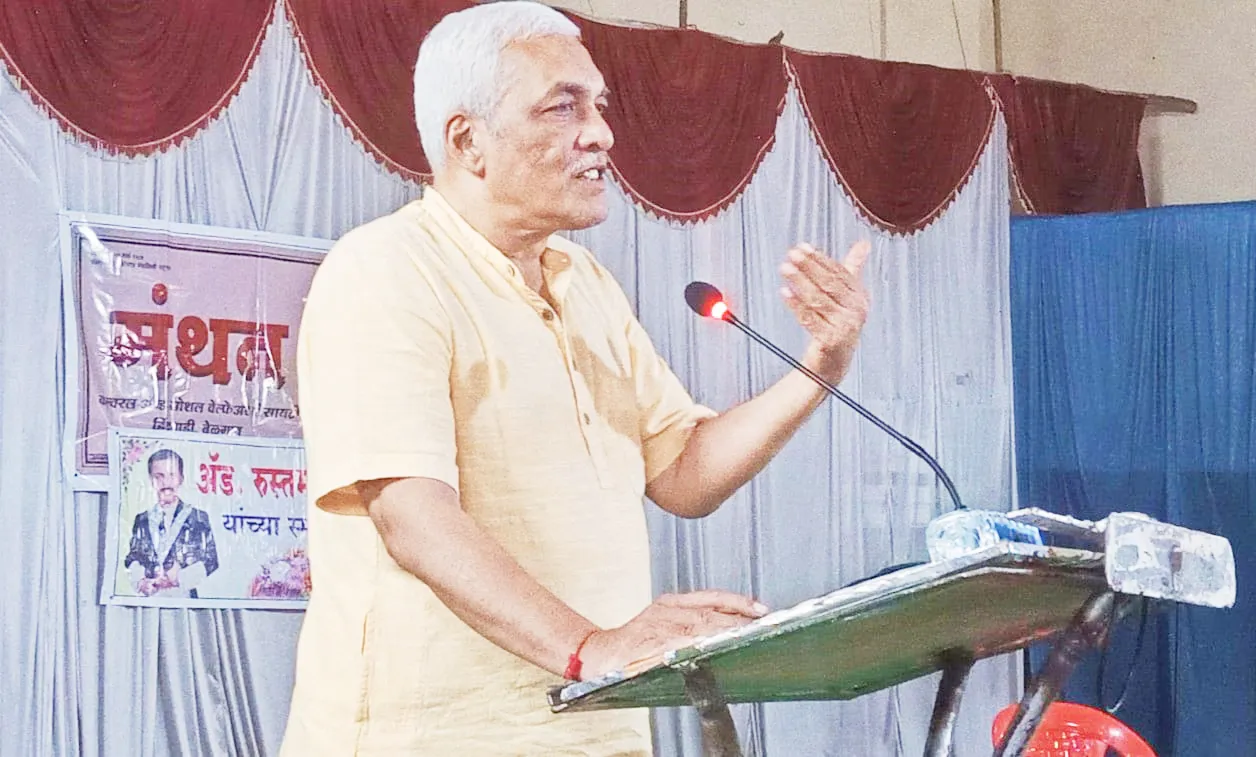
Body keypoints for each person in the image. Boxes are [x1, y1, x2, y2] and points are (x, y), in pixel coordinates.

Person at [280, 2, 870, 755]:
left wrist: (821, 366)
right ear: (468, 141)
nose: (601, 133)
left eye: (598, 105)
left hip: (596, 731)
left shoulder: (585, 283)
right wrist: (591, 647)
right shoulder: (386, 269)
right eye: (563, 107)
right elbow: (413, 517)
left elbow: (684, 473)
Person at [123, 448, 219, 599]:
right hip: (150, 600)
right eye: (159, 476)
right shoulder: (142, 520)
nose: (166, 482)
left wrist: (179, 578)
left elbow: (211, 561)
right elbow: (133, 557)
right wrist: (141, 582)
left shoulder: (198, 517)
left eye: (171, 475)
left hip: (184, 600)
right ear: (151, 480)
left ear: (181, 478)